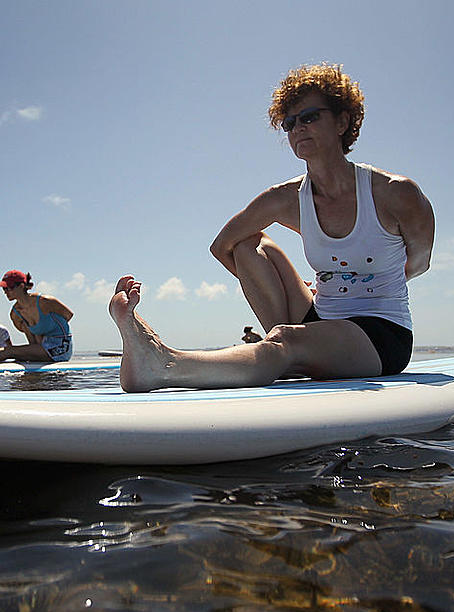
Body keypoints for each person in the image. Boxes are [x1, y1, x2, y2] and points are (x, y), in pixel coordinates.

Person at [109, 63, 434, 392]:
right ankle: (286, 353)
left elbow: (419, 263)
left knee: (285, 340)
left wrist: (363, 280)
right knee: (249, 243)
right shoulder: (285, 199)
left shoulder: (396, 193)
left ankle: (163, 365)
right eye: (290, 123)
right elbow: (221, 246)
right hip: (317, 318)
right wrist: (288, 292)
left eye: (309, 117)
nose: (297, 129)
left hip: (380, 334)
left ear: (342, 121)